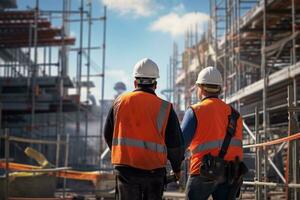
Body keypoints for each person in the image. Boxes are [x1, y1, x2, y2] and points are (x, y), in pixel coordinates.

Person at [104, 58, 184, 200]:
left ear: (135, 82)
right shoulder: (165, 108)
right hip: (154, 173)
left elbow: (107, 134)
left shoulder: (119, 103)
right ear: (156, 84)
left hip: (125, 171)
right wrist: (177, 169)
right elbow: (175, 145)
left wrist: (122, 153)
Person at [181, 66, 244, 200]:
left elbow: (180, 145)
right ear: (220, 89)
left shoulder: (195, 111)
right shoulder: (236, 115)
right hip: (232, 172)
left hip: (204, 170)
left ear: (201, 88)